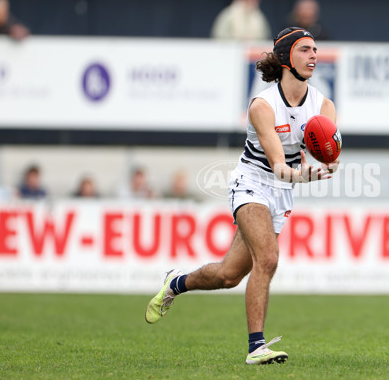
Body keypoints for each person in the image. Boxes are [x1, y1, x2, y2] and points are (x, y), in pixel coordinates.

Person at [145, 27, 339, 365]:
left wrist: (329, 164)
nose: (314, 55)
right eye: (305, 50)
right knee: (268, 258)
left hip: (282, 191)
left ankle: (175, 283)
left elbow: (328, 154)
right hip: (252, 183)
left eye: (315, 49)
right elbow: (278, 165)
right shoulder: (263, 106)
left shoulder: (324, 105)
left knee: (228, 275)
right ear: (285, 58)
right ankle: (256, 347)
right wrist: (303, 174)